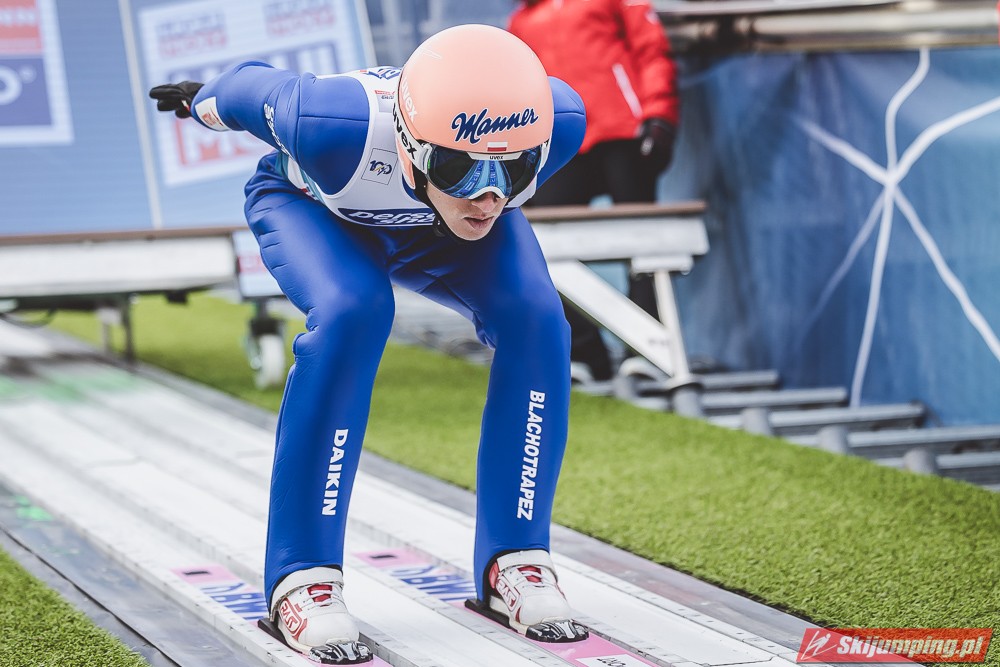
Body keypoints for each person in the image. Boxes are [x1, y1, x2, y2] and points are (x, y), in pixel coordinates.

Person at [149, 24, 588, 663]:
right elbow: (242, 90)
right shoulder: (329, 123)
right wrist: (199, 102)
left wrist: (468, 178)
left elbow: (488, 180)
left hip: (436, 227)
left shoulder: (559, 121)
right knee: (354, 312)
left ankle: (515, 557)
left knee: (539, 320)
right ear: (408, 146)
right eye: (460, 167)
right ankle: (303, 575)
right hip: (318, 211)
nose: (490, 193)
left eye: (516, 169)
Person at [508, 0, 681, 382]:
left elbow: (651, 48)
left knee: (644, 243)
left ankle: (647, 353)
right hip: (562, 142)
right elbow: (516, 89)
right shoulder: (522, 19)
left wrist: (660, 116)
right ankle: (586, 353)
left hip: (625, 132)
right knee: (542, 242)